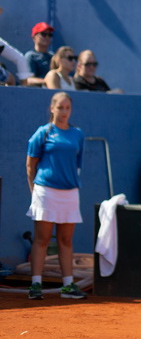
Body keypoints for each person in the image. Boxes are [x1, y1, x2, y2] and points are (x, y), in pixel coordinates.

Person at [26, 92, 87, 300]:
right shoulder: (42, 133)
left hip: (70, 192)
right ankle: (35, 285)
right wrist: (34, 192)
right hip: (45, 191)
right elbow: (30, 165)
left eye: (67, 108)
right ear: (52, 109)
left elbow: (76, 164)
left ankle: (68, 286)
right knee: (42, 239)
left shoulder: (77, 134)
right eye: (60, 107)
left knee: (66, 240)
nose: (64, 112)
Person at [23, 22, 54, 86]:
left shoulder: (53, 56)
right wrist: (48, 82)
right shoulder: (30, 56)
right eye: (43, 34)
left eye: (50, 35)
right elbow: (28, 80)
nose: (47, 37)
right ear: (34, 37)